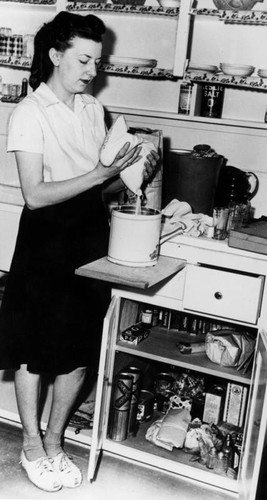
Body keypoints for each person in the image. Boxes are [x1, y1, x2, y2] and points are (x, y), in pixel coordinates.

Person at [0, 11, 159, 492]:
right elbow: (36, 194)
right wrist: (102, 174)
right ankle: (30, 444)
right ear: (55, 55)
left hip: (90, 234)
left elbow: (99, 187)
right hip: (47, 238)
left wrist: (134, 173)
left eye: (98, 60)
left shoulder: (93, 110)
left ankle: (54, 440)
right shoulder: (29, 113)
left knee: (78, 343)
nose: (93, 70)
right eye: (85, 59)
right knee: (35, 345)